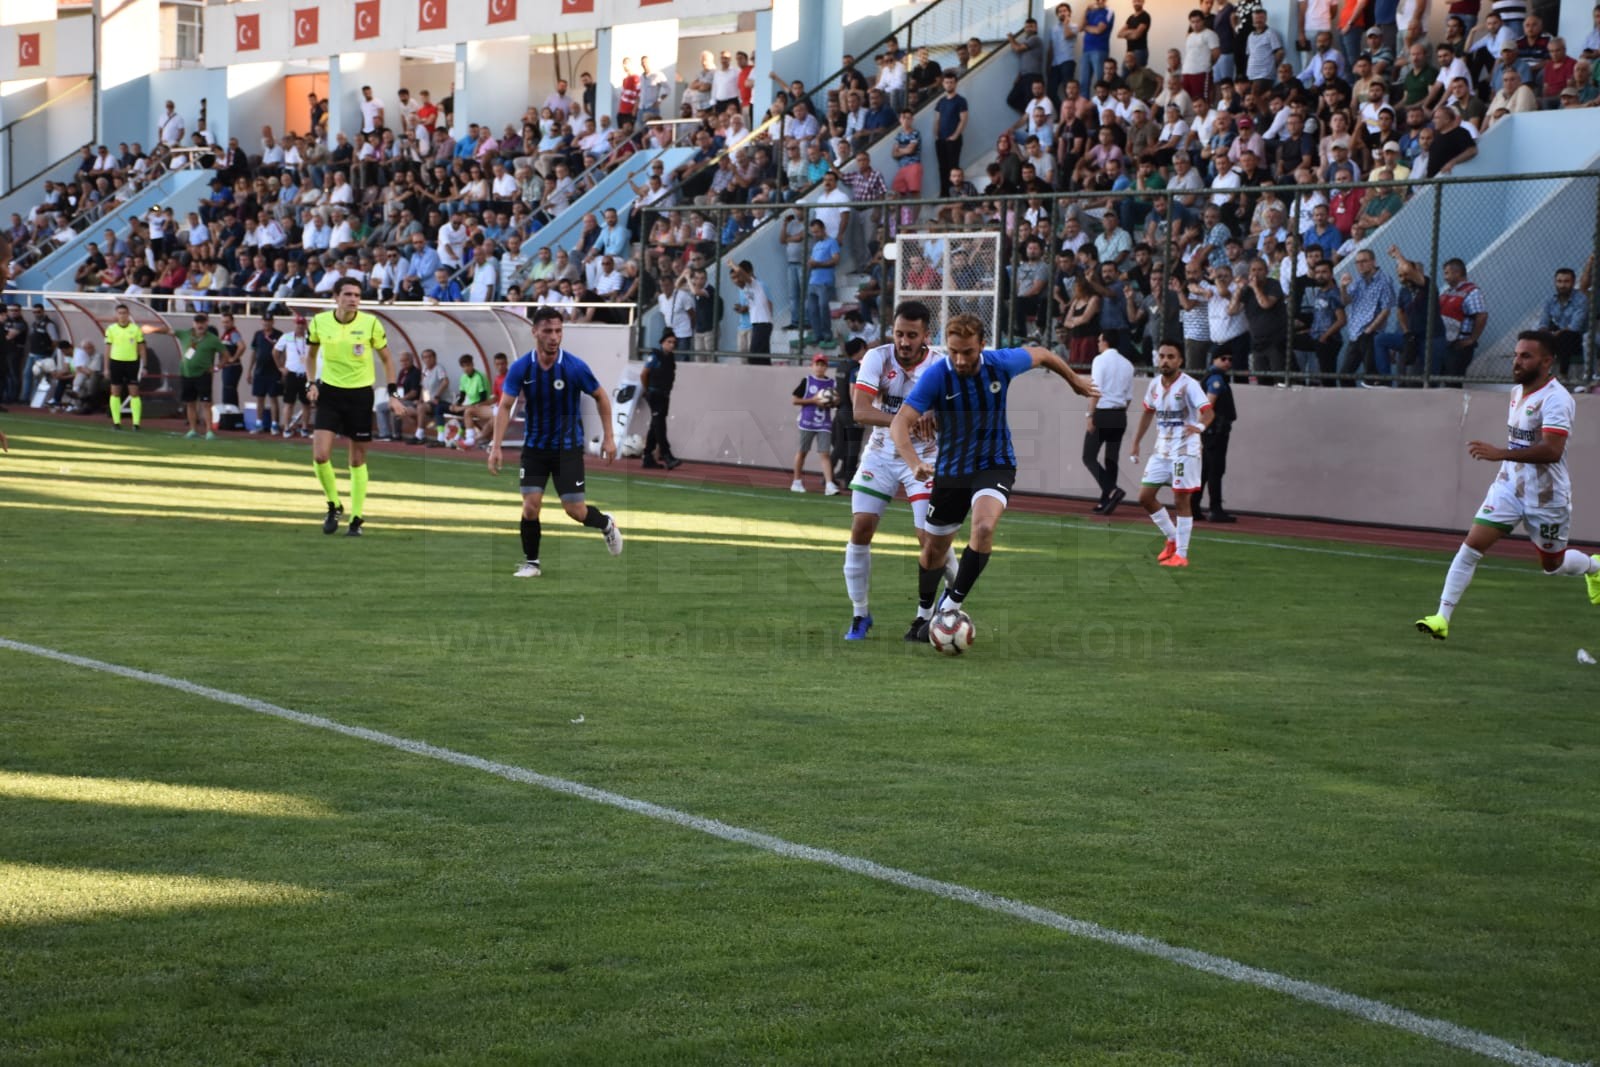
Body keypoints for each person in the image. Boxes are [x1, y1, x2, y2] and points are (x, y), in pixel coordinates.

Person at [890, 314, 1099, 642]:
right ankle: (923, 615)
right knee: (933, 551)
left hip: (995, 463)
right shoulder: (936, 376)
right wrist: (914, 462)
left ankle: (951, 607)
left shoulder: (1001, 363)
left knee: (984, 527)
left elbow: (1043, 353)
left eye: (968, 352)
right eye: (954, 352)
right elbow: (898, 423)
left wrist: (1074, 381)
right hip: (952, 471)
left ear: (982, 346)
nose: (960, 360)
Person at [1416, 331, 1600, 639]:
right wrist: (1506, 460)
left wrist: (1502, 452)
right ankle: (1441, 617)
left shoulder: (1557, 399)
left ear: (1547, 361)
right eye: (1516, 355)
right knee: (1471, 546)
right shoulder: (1517, 392)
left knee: (1552, 565)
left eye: (1526, 356)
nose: (1517, 361)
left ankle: (1594, 567)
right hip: (1509, 487)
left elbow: (1552, 451)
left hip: (1547, 498)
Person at [841, 302, 959, 641]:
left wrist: (937, 417)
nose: (904, 341)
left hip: (925, 460)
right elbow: (861, 411)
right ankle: (860, 614)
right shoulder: (877, 358)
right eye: (898, 333)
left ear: (926, 335)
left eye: (911, 335)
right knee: (861, 528)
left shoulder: (941, 365)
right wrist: (904, 420)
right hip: (880, 454)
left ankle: (940, 608)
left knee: (929, 541)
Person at [487, 307, 623, 578]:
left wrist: (609, 437)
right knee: (530, 506)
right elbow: (504, 407)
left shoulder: (574, 367)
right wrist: (496, 446)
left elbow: (601, 397)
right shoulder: (522, 367)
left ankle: (606, 524)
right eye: (548, 331)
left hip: (567, 449)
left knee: (575, 511)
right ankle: (532, 563)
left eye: (558, 331)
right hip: (535, 449)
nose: (554, 336)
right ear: (535, 331)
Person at [306, 278, 403, 536]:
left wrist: (393, 394)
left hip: (360, 396)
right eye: (348, 294)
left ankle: (357, 518)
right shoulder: (319, 322)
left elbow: (387, 360)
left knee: (357, 459)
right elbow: (311, 355)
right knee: (320, 455)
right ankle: (333, 504)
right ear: (335, 297)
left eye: (357, 295)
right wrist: (310, 383)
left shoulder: (371, 324)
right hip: (330, 393)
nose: (353, 299)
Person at [1129, 340, 1215, 567]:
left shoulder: (1189, 385)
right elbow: (1148, 413)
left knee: (1181, 498)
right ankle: (1172, 538)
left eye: (1170, 357)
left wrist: (1200, 427)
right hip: (1162, 449)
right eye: (1162, 356)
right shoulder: (1154, 385)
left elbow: (1208, 412)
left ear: (1180, 361)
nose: (1165, 361)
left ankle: (1182, 555)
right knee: (1145, 497)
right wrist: (1136, 442)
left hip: (1185, 448)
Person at [1084, 334, 1134, 514]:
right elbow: (1129, 397)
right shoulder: (1127, 364)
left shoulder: (1100, 360)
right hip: (1119, 414)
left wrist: (1090, 414)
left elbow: (1095, 388)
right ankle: (1105, 501)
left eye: (1099, 340)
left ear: (1105, 341)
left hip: (1103, 412)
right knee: (1111, 459)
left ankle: (1112, 490)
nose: (1097, 344)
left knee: (1088, 456)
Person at [103, 304, 166, 431]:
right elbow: (107, 350)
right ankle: (116, 422)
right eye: (120, 313)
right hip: (116, 363)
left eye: (124, 313)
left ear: (128, 314)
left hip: (132, 363)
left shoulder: (136, 329)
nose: (122, 315)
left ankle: (136, 423)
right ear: (116, 315)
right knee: (115, 392)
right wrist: (106, 367)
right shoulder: (111, 329)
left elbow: (142, 349)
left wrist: (145, 366)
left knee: (134, 393)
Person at [1197, 349, 1238, 522]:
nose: (1227, 362)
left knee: (1205, 471)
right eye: (1223, 358)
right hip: (1215, 433)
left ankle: (1193, 506)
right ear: (1214, 359)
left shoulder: (1212, 377)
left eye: (1230, 359)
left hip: (1211, 432)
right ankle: (1215, 509)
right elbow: (1208, 405)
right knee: (1215, 470)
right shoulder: (1216, 379)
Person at [792, 354, 840, 495]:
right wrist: (814, 400)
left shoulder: (831, 383)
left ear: (826, 367)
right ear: (812, 366)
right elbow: (795, 400)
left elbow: (836, 401)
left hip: (823, 423)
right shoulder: (807, 381)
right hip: (807, 422)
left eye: (822, 364)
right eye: (817, 364)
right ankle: (796, 481)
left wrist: (833, 402)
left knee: (825, 453)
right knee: (802, 452)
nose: (820, 367)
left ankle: (829, 484)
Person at [174, 313, 226, 440]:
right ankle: (193, 429)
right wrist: (151, 329)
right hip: (187, 374)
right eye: (197, 322)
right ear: (194, 323)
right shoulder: (186, 334)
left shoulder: (212, 339)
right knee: (190, 403)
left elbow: (225, 354)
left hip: (203, 374)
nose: (200, 325)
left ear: (206, 323)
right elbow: (169, 331)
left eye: (202, 322)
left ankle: (209, 431)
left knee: (206, 403)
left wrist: (217, 367)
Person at [640, 333, 681, 469]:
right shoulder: (655, 356)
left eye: (674, 342)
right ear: (662, 342)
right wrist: (647, 390)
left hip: (664, 395)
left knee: (655, 425)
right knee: (660, 426)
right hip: (655, 394)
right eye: (669, 342)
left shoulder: (670, 359)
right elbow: (644, 373)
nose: (672, 345)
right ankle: (667, 455)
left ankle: (647, 457)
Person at [275, 314, 312, 437]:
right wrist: (280, 367)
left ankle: (305, 428)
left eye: (302, 324)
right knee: (289, 402)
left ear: (305, 325)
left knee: (306, 403)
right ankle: (286, 428)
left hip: (306, 374)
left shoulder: (310, 337)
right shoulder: (287, 337)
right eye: (298, 323)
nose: (300, 326)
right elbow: (275, 351)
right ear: (294, 324)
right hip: (291, 374)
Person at [249, 312, 283, 434]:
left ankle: (274, 424)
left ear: (272, 322)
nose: (266, 323)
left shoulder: (279, 335)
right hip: (260, 371)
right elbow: (254, 353)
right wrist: (249, 370)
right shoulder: (258, 334)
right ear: (261, 321)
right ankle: (259, 423)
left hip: (273, 371)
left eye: (269, 321)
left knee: (273, 398)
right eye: (264, 320)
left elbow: (283, 353)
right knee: (260, 398)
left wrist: (282, 368)